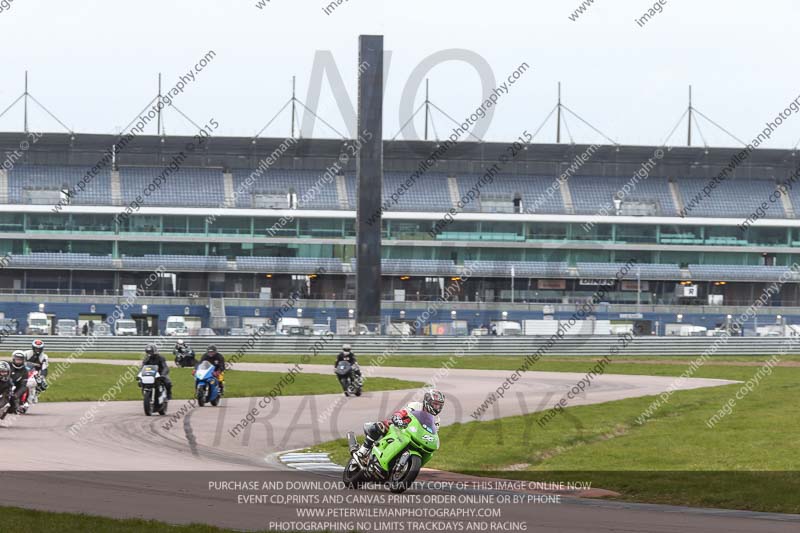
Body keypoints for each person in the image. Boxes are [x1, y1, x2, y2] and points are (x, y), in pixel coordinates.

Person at [353, 389, 445, 464]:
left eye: (439, 406)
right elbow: (403, 413)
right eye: (435, 404)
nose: (437, 408)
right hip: (401, 427)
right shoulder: (416, 406)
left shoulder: (436, 420)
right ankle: (363, 451)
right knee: (381, 426)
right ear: (428, 401)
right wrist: (398, 418)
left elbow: (432, 432)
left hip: (414, 435)